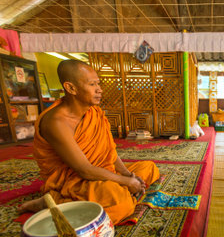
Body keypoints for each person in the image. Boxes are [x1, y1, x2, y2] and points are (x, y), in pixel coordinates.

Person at [19, 60, 160, 225]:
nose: (99, 89)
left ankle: (116, 190)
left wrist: (127, 175)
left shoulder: (94, 112)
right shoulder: (56, 122)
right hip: (75, 180)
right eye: (92, 84)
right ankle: (54, 201)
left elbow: (109, 152)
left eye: (98, 84)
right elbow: (84, 170)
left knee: (149, 168)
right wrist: (126, 182)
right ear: (71, 88)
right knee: (122, 204)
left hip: (100, 171)